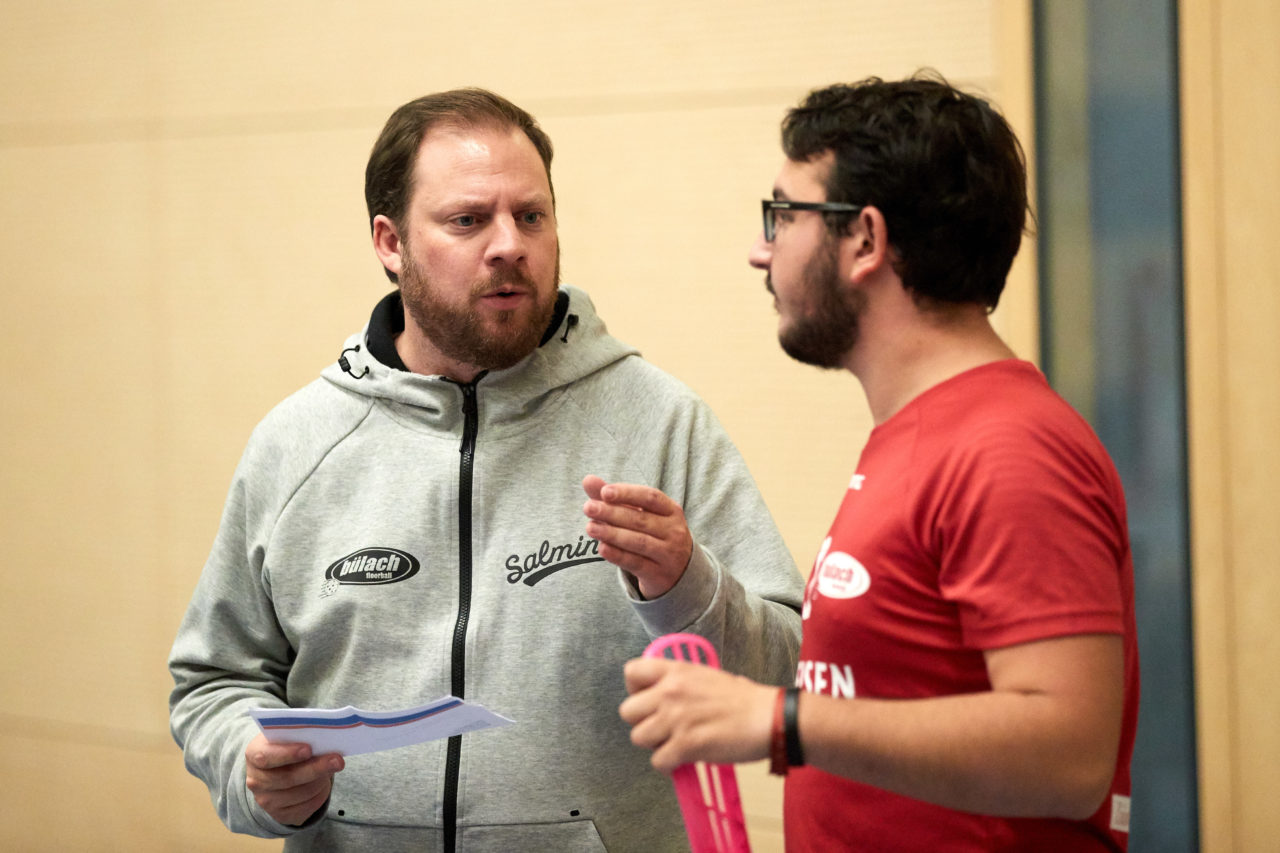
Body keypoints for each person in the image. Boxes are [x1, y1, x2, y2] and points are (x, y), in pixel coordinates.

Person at [168, 87, 804, 853]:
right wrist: (252, 770)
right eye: (468, 220)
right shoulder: (298, 443)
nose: (508, 244)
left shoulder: (659, 424)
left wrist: (688, 587)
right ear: (390, 241)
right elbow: (215, 681)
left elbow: (790, 673)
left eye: (530, 216)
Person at [619, 73, 1139, 852]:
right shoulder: (919, 434)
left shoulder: (1011, 448)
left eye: (782, 215)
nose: (760, 251)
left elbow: (1069, 755)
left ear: (864, 238)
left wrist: (775, 718)